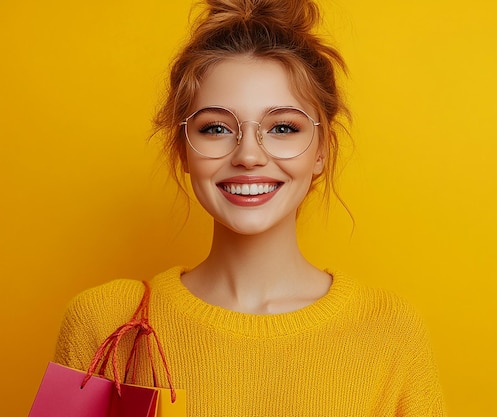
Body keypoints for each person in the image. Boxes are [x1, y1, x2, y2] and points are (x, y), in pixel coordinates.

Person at [54, 0, 447, 415]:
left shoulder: (391, 332)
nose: (248, 155)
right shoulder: (106, 323)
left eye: (282, 127)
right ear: (183, 150)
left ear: (322, 151)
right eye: (216, 128)